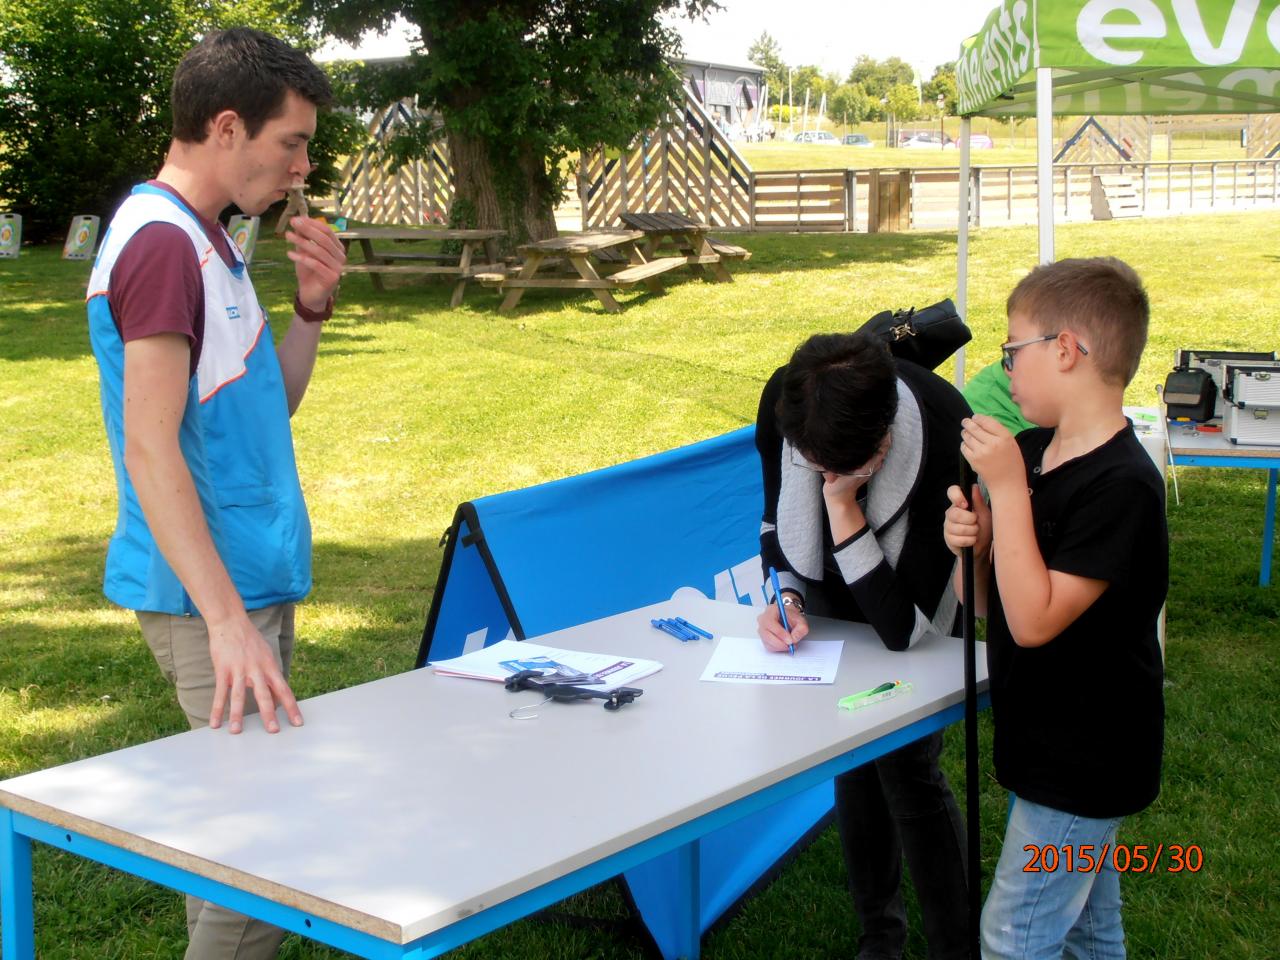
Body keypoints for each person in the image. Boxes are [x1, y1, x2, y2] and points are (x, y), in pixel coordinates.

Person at [85, 27, 346, 959]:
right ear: (228, 127)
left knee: (250, 836)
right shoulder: (161, 246)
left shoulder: (210, 242)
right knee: (264, 853)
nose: (303, 167)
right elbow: (149, 452)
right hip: (210, 599)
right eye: (292, 143)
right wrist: (227, 619)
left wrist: (311, 309)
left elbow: (261, 413)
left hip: (247, 579)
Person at [943, 257, 1166, 959]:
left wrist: (1008, 495)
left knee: (1014, 938)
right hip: (1044, 743)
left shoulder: (1123, 486)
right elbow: (987, 607)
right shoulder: (1035, 452)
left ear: (1065, 350)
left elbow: (1037, 621)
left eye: (1013, 351)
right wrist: (971, 547)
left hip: (1084, 757)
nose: (1005, 369)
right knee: (1092, 934)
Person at [755, 332, 970, 960]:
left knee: (908, 771)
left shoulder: (944, 432)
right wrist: (789, 596)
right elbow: (776, 523)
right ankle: (880, 938)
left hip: (914, 611)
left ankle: (958, 947)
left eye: (838, 465)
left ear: (886, 438)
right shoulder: (787, 401)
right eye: (813, 462)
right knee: (852, 758)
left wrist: (842, 505)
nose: (820, 474)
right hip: (836, 595)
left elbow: (903, 630)